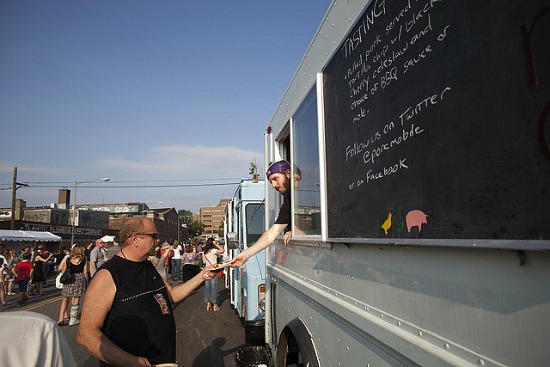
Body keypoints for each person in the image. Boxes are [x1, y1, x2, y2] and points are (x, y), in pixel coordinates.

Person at [76, 217, 217, 366]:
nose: (157, 240)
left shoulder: (147, 265)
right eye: (154, 236)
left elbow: (171, 295)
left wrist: (202, 276)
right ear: (135, 239)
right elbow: (86, 335)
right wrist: (131, 361)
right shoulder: (108, 274)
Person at [231, 160, 297, 268]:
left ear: (288, 173)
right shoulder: (288, 203)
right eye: (271, 182)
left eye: (276, 179)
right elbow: (272, 233)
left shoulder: (309, 191)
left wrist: (295, 232)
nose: (273, 185)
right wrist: (245, 255)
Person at [57, 245, 88, 326]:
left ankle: (61, 318)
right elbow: (85, 272)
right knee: (76, 299)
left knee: (65, 299)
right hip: (79, 278)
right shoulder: (84, 259)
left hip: (69, 279)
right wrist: (86, 281)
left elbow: (63, 271)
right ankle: (73, 319)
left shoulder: (68, 260)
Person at [202, 237, 224, 311]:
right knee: (214, 288)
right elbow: (222, 250)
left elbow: (204, 262)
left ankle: (208, 303)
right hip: (214, 271)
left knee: (207, 288)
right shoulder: (214, 251)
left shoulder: (205, 252)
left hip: (207, 271)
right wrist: (216, 244)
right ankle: (215, 304)